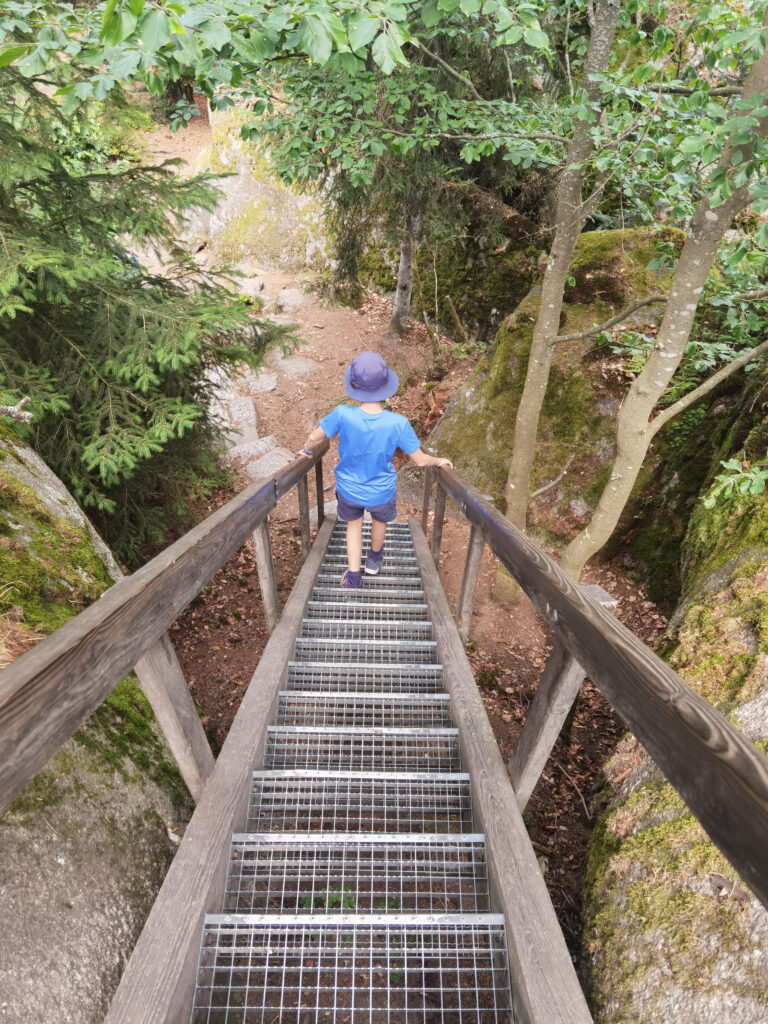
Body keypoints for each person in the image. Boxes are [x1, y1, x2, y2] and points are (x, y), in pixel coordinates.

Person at [299, 351, 452, 588]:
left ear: (354, 385)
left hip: (349, 488)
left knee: (354, 526)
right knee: (380, 522)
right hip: (381, 490)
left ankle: (353, 575)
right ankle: (374, 560)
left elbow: (313, 437)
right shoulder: (397, 423)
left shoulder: (342, 414)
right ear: (385, 387)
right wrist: (438, 460)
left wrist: (307, 451)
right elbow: (421, 460)